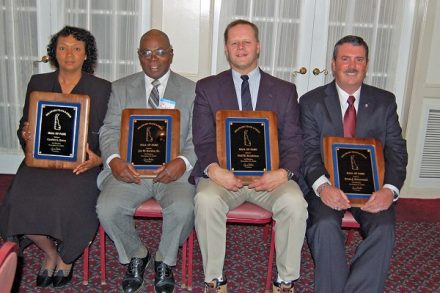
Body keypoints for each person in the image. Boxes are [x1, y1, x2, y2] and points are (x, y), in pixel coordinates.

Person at [190, 19, 308, 293]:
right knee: (205, 199)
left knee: (294, 202)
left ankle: (285, 280)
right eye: (234, 43)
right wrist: (212, 169)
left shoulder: (284, 90)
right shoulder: (207, 87)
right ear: (226, 50)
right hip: (223, 177)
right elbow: (203, 138)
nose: (240, 47)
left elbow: (293, 140)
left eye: (246, 42)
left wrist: (284, 173)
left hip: (270, 178)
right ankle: (214, 279)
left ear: (258, 47)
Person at [0, 26, 111, 288]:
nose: (69, 54)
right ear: (54, 52)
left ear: (86, 55)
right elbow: (24, 124)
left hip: (82, 163)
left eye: (76, 49)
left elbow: (109, 133)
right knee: (18, 201)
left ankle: (67, 256)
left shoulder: (102, 88)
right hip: (40, 161)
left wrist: (99, 159)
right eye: (62, 48)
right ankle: (51, 253)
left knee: (68, 200)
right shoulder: (38, 83)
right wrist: (26, 133)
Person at [299, 35, 408, 292]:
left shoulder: (384, 101)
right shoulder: (311, 102)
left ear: (366, 65)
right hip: (326, 185)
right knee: (324, 225)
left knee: (384, 227)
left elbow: (396, 151)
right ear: (334, 64)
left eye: (359, 60)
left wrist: (389, 190)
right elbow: (308, 152)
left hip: (372, 188)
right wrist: (323, 187)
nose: (352, 65)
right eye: (345, 59)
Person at [96, 29, 196, 293]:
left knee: (185, 207)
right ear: (139, 56)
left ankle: (165, 259)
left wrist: (183, 162)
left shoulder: (191, 90)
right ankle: (136, 254)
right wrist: (115, 160)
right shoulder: (120, 87)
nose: (154, 59)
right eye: (147, 52)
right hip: (131, 171)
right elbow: (109, 130)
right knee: (107, 207)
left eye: (161, 52)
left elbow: (198, 137)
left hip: (172, 173)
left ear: (171, 54)